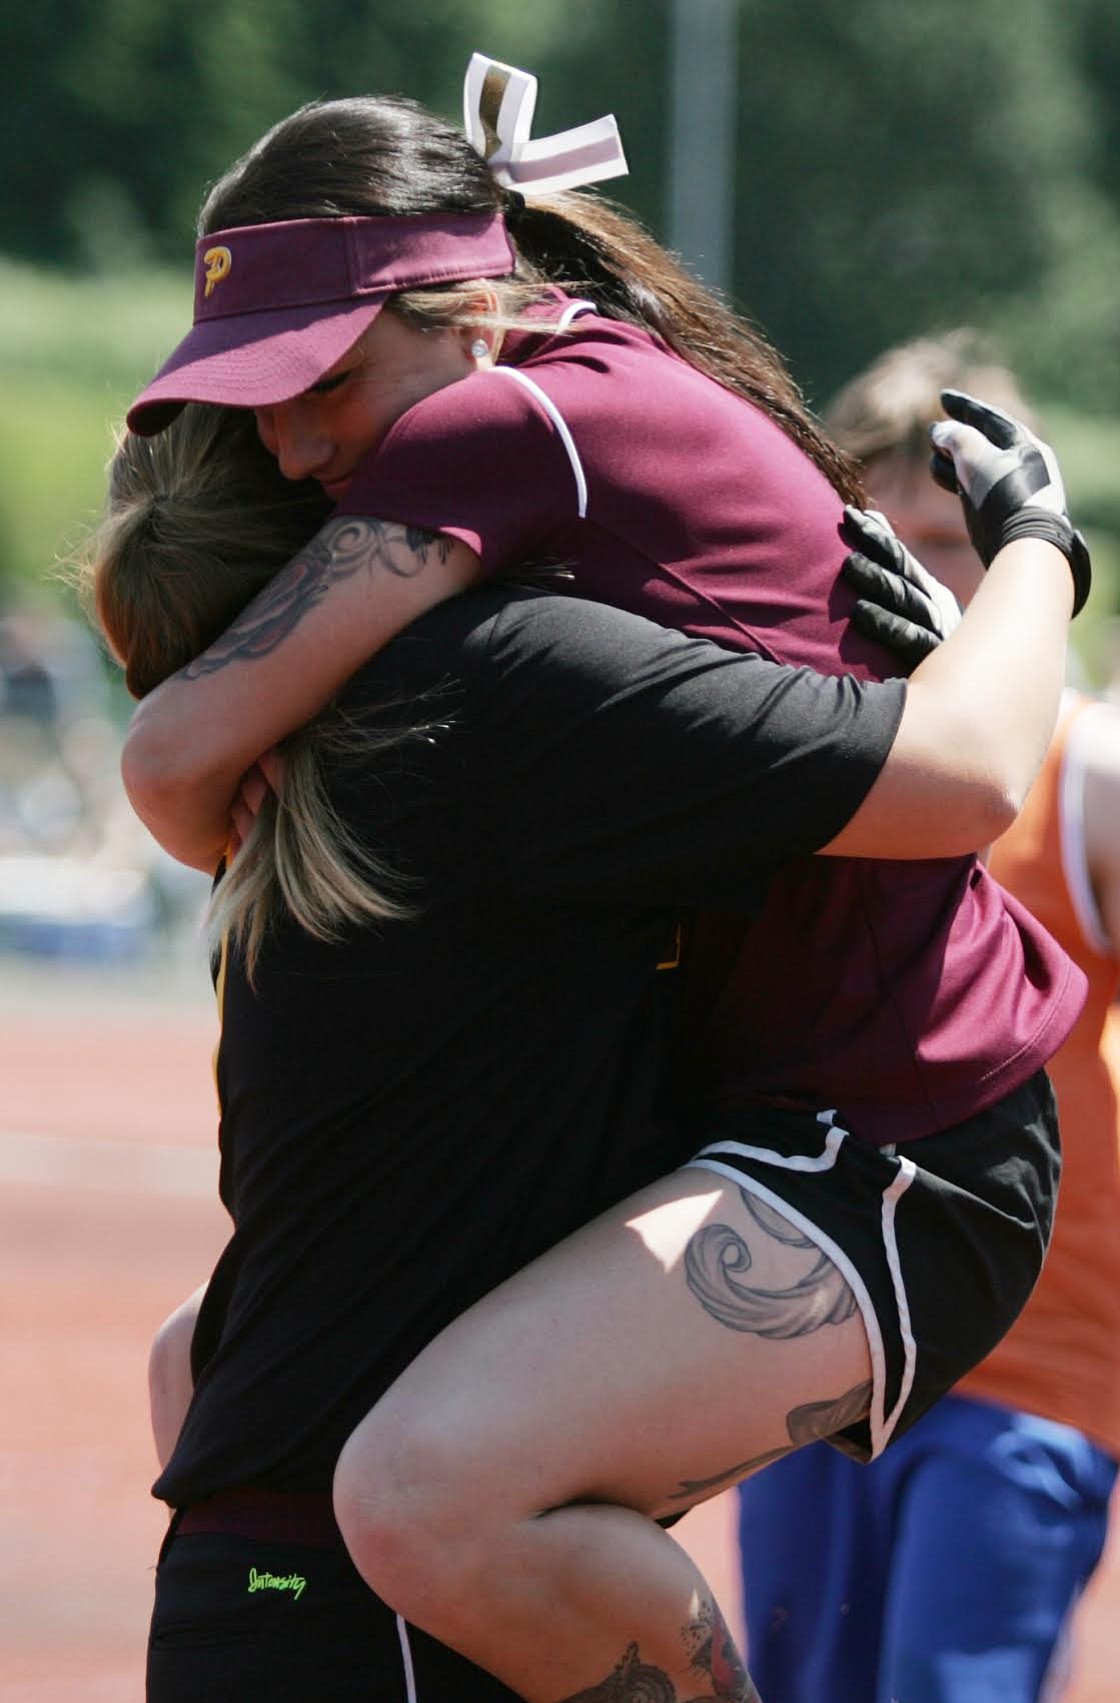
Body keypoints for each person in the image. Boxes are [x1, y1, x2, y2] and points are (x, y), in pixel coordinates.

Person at [115, 55, 1090, 1703]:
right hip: (780, 1108)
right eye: (249, 400)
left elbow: (170, 767)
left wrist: (1037, 563)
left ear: (462, 306)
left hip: (898, 1136)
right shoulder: (565, 389)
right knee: (216, 1379)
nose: (288, 450)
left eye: (323, 380)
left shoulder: (515, 417)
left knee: (429, 1494)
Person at [737, 331, 1120, 1703]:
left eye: (955, 543)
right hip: (803, 1356)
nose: (916, 575)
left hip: (1029, 1371)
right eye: (880, 538)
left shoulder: (1086, 774)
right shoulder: (809, 765)